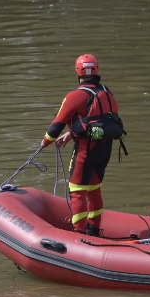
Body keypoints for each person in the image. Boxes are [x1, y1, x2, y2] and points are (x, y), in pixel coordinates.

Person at [41, 53, 124, 237]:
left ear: (78, 72)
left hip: (86, 151)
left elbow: (56, 125)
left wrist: (45, 142)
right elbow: (101, 119)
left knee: (77, 191)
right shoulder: (107, 92)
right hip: (104, 150)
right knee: (94, 189)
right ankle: (94, 230)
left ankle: (79, 234)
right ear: (96, 70)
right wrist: (71, 134)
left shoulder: (75, 96)